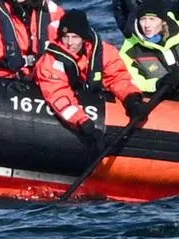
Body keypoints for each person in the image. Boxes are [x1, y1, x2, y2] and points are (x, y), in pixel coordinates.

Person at [35, 8, 149, 151]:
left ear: (84, 37)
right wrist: (84, 124)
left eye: (75, 37)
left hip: (88, 97)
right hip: (64, 107)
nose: (70, 43)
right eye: (66, 37)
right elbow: (59, 96)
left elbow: (118, 77)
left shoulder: (104, 52)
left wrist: (132, 100)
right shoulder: (51, 62)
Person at [119, 0, 179, 92]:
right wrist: (157, 84)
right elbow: (130, 81)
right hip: (162, 96)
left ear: (163, 21)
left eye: (152, 19)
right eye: (143, 19)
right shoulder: (129, 49)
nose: (147, 25)